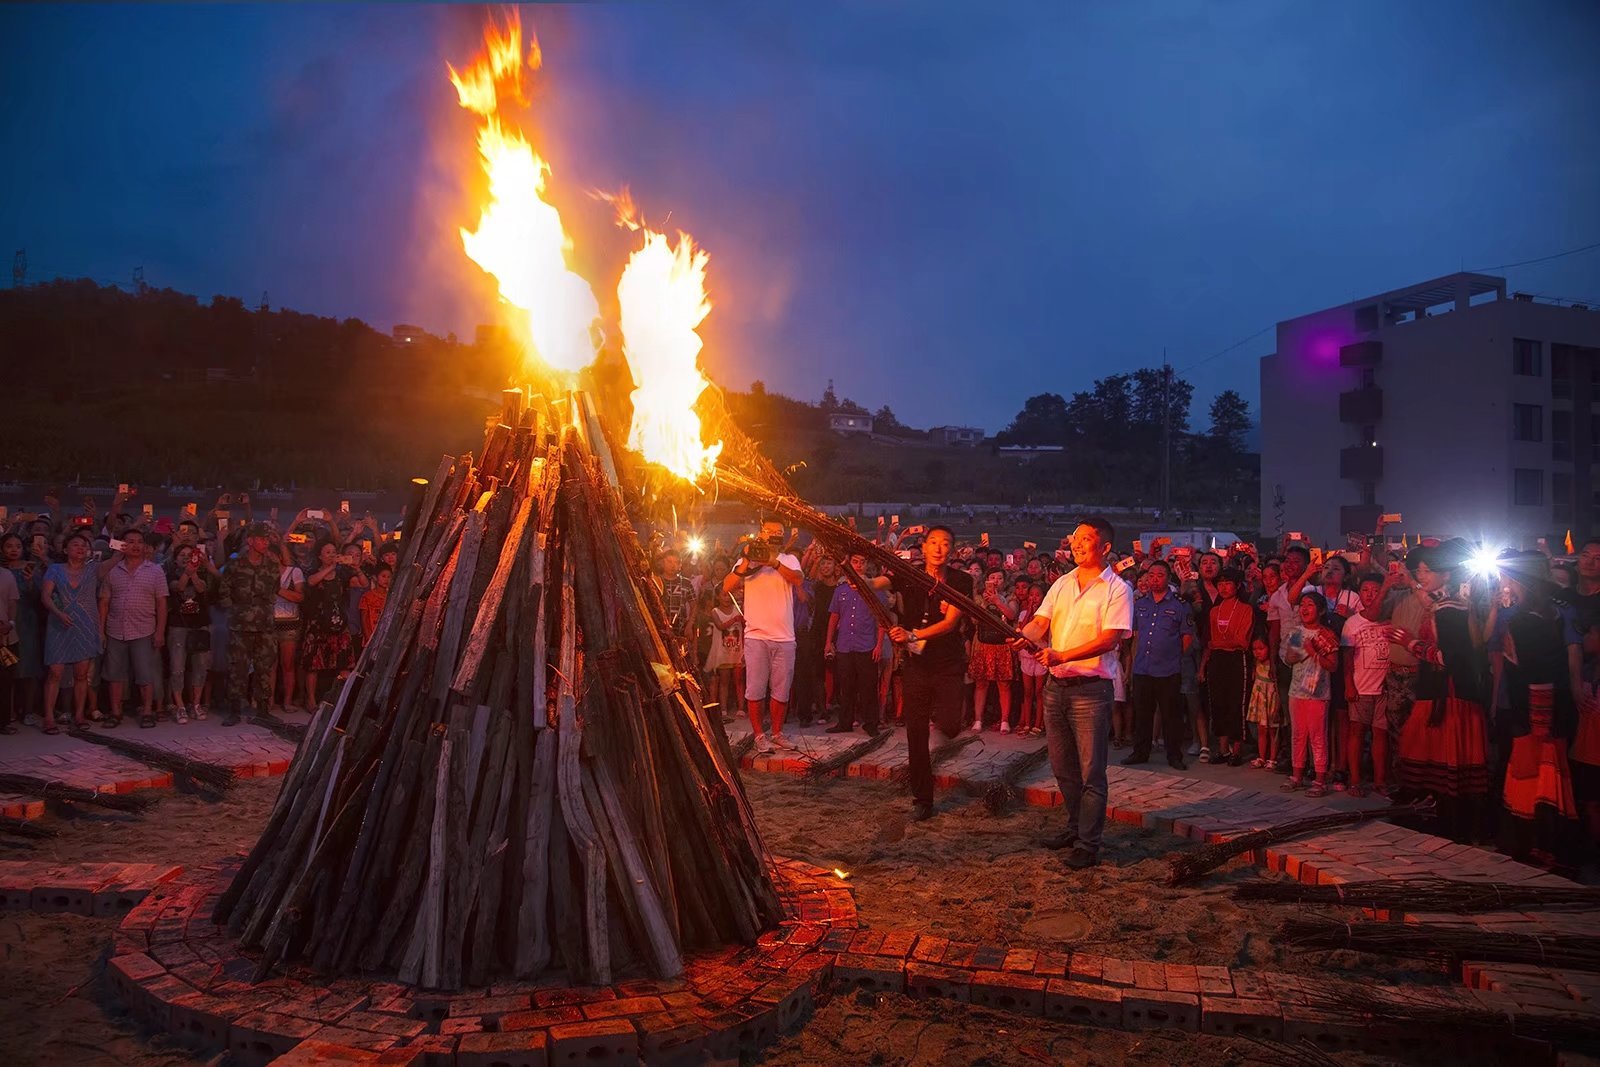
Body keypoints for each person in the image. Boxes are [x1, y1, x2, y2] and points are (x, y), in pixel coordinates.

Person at [1013, 518, 1132, 869]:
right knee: (1063, 767)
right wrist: (1024, 636)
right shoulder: (1063, 582)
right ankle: (1075, 827)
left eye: (1085, 539)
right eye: (1075, 538)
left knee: (1091, 771)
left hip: (1091, 691)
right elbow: (1041, 622)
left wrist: (1062, 655)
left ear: (1105, 547)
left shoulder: (1117, 589)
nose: (1077, 544)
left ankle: (1088, 844)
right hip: (1056, 687)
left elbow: (1109, 639)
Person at [1389, 542, 1490, 841]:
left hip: (1447, 694)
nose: (1422, 576)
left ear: (1446, 574)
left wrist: (1410, 644)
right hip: (1442, 690)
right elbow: (1426, 597)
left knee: (1440, 754)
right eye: (1420, 571)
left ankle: (1447, 823)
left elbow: (1451, 657)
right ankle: (1446, 820)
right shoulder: (1448, 602)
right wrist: (1411, 582)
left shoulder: (1449, 609)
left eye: (1427, 571)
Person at [873, 525, 971, 821]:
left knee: (950, 723)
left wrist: (912, 635)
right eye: (934, 542)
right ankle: (923, 799)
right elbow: (877, 582)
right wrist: (859, 578)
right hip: (917, 664)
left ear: (951, 549)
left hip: (949, 662)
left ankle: (945, 735)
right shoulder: (908, 574)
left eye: (946, 543)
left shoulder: (961, 580)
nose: (939, 548)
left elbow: (951, 623)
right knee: (916, 732)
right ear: (924, 546)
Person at [1495, 552, 1580, 868]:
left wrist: (1538, 724)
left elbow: (1536, 672)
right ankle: (1544, 846)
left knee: (1533, 778)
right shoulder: (1552, 614)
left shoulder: (1524, 621)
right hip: (1548, 711)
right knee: (1546, 778)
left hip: (1535, 715)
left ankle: (1538, 847)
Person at [723, 520, 804, 753]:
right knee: (755, 689)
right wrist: (747, 558)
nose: (774, 535)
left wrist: (773, 562)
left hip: (784, 636)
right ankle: (759, 735)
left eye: (779, 532)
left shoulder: (788, 559)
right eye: (770, 532)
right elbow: (727, 586)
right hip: (756, 635)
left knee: (781, 689)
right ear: (761, 534)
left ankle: (777, 733)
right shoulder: (748, 561)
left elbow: (798, 578)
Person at [1125, 559, 1193, 770]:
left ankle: (1174, 755)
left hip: (1168, 670)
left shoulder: (1179, 605)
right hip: (1142, 668)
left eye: (1160, 575)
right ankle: (1140, 752)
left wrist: (1173, 656)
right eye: (1151, 576)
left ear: (1168, 578)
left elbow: (1187, 637)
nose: (1154, 580)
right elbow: (1135, 634)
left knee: (1171, 716)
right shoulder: (1140, 604)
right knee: (1143, 714)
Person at [100, 527, 168, 728]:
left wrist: (160, 632)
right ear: (123, 545)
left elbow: (162, 604)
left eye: (139, 541)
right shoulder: (113, 570)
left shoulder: (155, 571)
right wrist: (100, 631)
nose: (136, 545)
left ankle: (147, 712)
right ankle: (116, 712)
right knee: (114, 674)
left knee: (145, 674)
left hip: (144, 630)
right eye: (130, 541)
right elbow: (104, 602)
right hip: (115, 629)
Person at [218, 522, 281, 726]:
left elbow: (274, 590)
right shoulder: (235, 564)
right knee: (238, 668)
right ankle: (234, 710)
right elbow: (224, 592)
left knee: (264, 667)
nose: (265, 542)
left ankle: (262, 710)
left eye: (267, 539)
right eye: (261, 539)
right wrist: (235, 612)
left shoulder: (272, 566)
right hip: (240, 625)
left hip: (264, 625)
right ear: (250, 541)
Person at [41, 532, 102, 733]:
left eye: (84, 545)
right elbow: (45, 596)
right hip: (59, 625)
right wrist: (58, 613)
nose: (80, 548)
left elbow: (112, 564)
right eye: (76, 544)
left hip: (85, 625)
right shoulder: (55, 569)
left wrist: (121, 551)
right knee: (55, 673)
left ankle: (79, 715)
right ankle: (49, 717)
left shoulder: (93, 569)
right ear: (66, 549)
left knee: (81, 674)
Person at [1280, 590, 1339, 796]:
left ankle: (1320, 780)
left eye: (1310, 605)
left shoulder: (1327, 635)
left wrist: (1314, 652)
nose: (1304, 609)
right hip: (1297, 691)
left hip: (1318, 694)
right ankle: (1297, 776)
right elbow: (1289, 658)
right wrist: (1306, 649)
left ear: (1321, 610)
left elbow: (1333, 666)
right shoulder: (1297, 632)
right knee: (1298, 734)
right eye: (1302, 604)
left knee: (1318, 736)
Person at [1340, 573, 1393, 797]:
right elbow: (1347, 658)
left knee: (1381, 734)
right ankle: (1355, 781)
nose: (1370, 595)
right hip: (1361, 688)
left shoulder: (1388, 618)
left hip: (1384, 688)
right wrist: (1349, 685)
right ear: (1359, 593)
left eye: (1375, 590)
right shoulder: (1351, 623)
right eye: (1365, 590)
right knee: (1357, 732)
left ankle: (1380, 781)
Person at [825, 552, 886, 736]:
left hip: (866, 645)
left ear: (867, 565)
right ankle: (845, 722)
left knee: (868, 687)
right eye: (855, 561)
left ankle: (871, 723)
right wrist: (828, 642)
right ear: (849, 563)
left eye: (862, 562)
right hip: (845, 644)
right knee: (846, 687)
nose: (859, 565)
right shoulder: (841, 590)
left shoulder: (875, 589)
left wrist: (879, 645)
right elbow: (834, 617)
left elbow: (881, 619)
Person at [1199, 568, 1253, 766]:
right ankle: (1222, 749)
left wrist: (1219, 643)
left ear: (1237, 586)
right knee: (1218, 703)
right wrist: (1203, 666)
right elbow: (1210, 643)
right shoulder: (1214, 611)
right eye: (1220, 584)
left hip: (1237, 659)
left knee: (1236, 703)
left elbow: (1242, 642)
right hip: (1217, 660)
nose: (1223, 587)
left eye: (1228, 583)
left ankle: (1236, 750)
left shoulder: (1245, 609)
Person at [301, 538, 358, 707]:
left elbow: (362, 583)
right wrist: (331, 567)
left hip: (339, 623)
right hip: (318, 624)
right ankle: (311, 701)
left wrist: (356, 568)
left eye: (334, 552)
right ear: (319, 556)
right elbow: (311, 582)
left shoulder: (342, 573)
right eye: (328, 552)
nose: (332, 555)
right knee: (313, 665)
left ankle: (342, 701)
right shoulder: (313, 571)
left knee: (344, 662)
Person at [166, 543, 213, 722]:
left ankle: (196, 704)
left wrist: (194, 572)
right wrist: (187, 573)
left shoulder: (203, 574)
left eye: (189, 554)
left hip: (200, 625)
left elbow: (201, 588)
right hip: (178, 626)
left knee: (200, 667)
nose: (186, 557)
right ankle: (180, 706)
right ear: (175, 559)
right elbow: (179, 587)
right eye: (182, 555)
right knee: (177, 668)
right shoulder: (171, 574)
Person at [2, 533, 45, 729]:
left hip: (27, 622)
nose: (13, 549)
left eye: (17, 546)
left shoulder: (31, 567)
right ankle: (8, 712)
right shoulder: (2, 571)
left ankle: (28, 711)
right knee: (7, 669)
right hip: (5, 623)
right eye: (9, 546)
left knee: (28, 667)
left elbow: (40, 597)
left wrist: (30, 582)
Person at [969, 569, 1018, 732]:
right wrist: (985, 603)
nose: (996, 581)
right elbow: (974, 619)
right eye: (992, 578)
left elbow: (1011, 615)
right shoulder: (979, 597)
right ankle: (978, 719)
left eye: (1000, 578)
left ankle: (1005, 720)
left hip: (1002, 644)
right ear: (986, 580)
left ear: (1005, 580)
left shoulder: (1010, 597)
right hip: (983, 642)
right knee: (981, 682)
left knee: (1004, 683)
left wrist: (998, 601)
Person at [273, 539, 306, 712]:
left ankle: (287, 701)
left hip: (290, 624)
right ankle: (268, 701)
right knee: (269, 665)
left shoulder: (294, 572)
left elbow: (300, 597)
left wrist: (278, 590)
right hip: (268, 622)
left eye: (272, 556)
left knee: (287, 664)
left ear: (279, 556)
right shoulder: (262, 574)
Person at [703, 588, 744, 722]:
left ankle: (741, 708)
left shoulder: (738, 609)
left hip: (738, 651)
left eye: (729, 595)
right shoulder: (715, 611)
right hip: (723, 652)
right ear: (718, 597)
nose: (727, 598)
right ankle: (723, 709)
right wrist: (734, 620)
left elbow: (745, 624)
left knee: (739, 680)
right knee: (724, 681)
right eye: (724, 595)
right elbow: (720, 626)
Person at [1014, 576, 1046, 737]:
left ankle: (1038, 722)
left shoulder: (1046, 616)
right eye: (1031, 595)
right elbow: (1022, 631)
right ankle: (1027, 722)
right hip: (1026, 655)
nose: (1034, 598)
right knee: (1027, 690)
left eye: (1037, 595)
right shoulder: (1023, 613)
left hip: (1040, 653)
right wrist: (1029, 612)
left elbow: (1043, 634)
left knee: (1039, 691)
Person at [656, 549, 698, 667]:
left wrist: (690, 625)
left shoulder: (686, 583)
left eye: (676, 562)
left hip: (680, 631)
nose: (672, 565)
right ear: (662, 562)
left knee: (681, 664)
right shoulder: (656, 581)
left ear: (680, 565)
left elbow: (694, 605)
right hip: (660, 631)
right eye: (669, 561)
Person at [1246, 635, 1282, 768]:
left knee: (1273, 731)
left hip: (1271, 700)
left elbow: (1277, 688)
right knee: (1261, 730)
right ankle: (1261, 757)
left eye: (1261, 648)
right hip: (1260, 701)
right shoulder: (1255, 664)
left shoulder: (1273, 666)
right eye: (1254, 649)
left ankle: (1272, 759)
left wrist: (1278, 706)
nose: (1257, 652)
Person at [360, 563, 391, 642]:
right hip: (371, 636)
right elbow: (364, 620)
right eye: (383, 576)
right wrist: (368, 638)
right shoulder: (367, 597)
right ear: (375, 577)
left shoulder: (391, 597)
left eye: (389, 577)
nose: (386, 579)